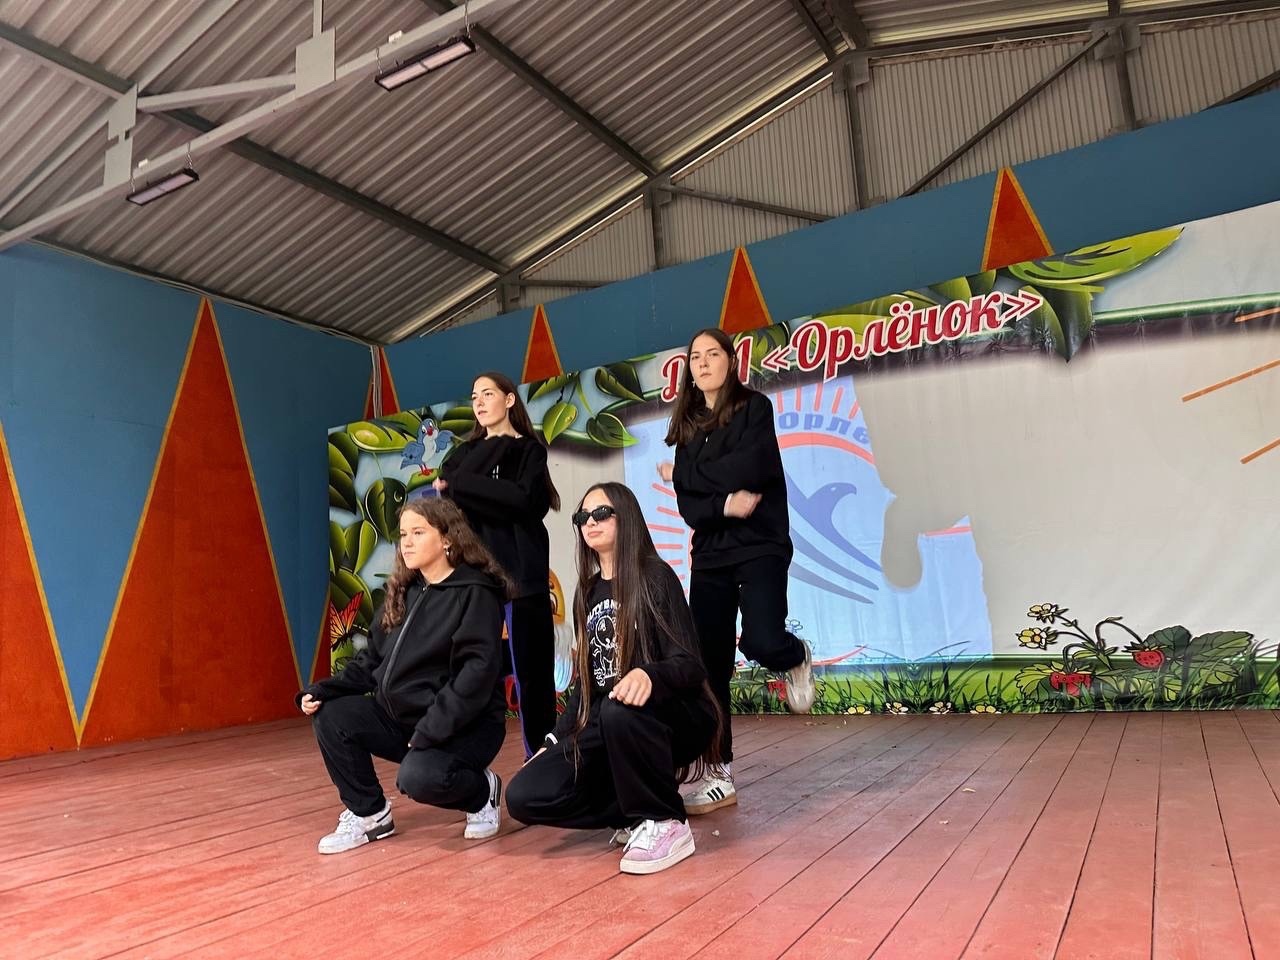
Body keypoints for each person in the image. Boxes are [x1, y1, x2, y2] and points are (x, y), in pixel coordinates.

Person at [505, 482, 721, 875]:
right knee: (524, 794)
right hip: (609, 722)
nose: (590, 522)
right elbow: (586, 687)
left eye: (601, 513)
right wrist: (553, 741)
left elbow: (690, 664)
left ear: (626, 517)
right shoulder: (586, 592)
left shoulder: (654, 576)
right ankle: (631, 811)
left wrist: (649, 674)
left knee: (619, 710)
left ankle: (665, 820)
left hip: (672, 715)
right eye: (582, 516)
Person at [657, 327, 815, 816]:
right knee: (710, 666)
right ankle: (718, 771)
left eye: (712, 354)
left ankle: (795, 655)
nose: (703, 363)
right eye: (695, 357)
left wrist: (684, 474)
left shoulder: (754, 409)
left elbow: (753, 468)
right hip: (710, 554)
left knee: (763, 641)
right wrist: (724, 502)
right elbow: (690, 507)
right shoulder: (687, 424)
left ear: (731, 360)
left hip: (761, 544)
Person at [299, 498, 511, 854]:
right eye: (402, 534)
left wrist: (430, 730)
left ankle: (481, 794)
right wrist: (323, 690)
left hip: (464, 727)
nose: (407, 543)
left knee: (419, 778)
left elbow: (473, 676)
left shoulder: (476, 593)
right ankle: (370, 814)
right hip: (406, 721)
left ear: (448, 539)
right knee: (332, 714)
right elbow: (371, 660)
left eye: (418, 533)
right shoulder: (402, 591)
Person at [435, 372, 559, 759]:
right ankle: (470, 763)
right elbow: (449, 496)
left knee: (533, 672)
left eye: (488, 393)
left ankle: (541, 757)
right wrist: (496, 496)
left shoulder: (530, 450)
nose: (479, 402)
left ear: (508, 400)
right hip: (477, 575)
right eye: (474, 396)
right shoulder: (463, 454)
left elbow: (525, 502)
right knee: (476, 671)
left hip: (523, 573)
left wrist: (464, 487)